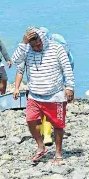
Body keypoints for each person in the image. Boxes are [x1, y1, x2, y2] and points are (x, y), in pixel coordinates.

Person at [11, 27, 75, 164]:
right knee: (30, 120)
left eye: (38, 44)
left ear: (43, 39)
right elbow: (15, 61)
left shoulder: (56, 48)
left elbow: (67, 68)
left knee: (58, 125)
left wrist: (70, 87)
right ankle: (41, 147)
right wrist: (23, 43)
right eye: (33, 46)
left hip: (55, 95)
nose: (37, 48)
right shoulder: (27, 49)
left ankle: (58, 153)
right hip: (34, 95)